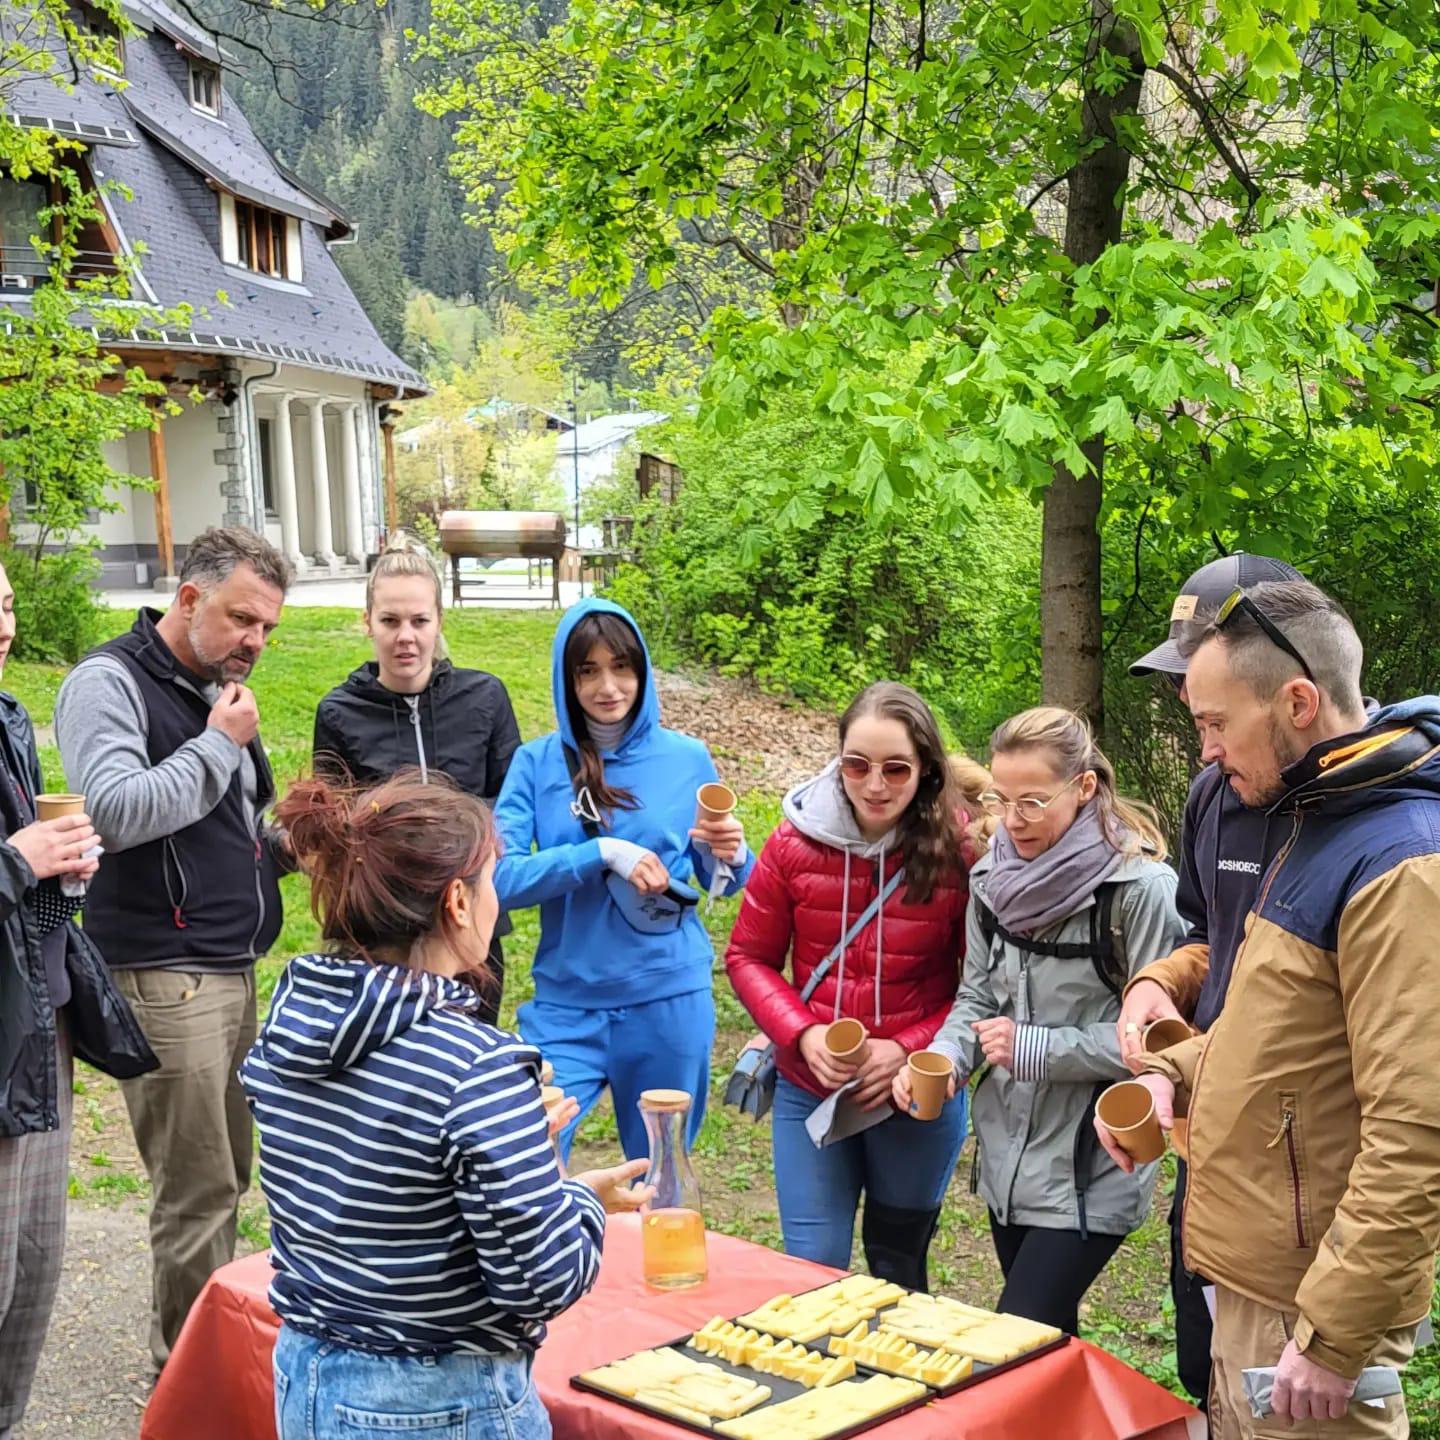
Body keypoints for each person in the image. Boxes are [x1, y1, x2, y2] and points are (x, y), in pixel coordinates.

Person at [1104, 580, 1440, 1439]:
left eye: (1216, 723)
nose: (1205, 751)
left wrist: (1332, 1334)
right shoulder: (1308, 818)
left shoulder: (1402, 860)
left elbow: (1418, 1129)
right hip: (1256, 1275)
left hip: (1309, 1299)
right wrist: (1175, 1073)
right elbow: (1277, 1036)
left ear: (1297, 702)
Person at [242, 772, 650, 1440]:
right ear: (457, 902)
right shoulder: (477, 1068)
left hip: (307, 1378)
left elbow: (378, 1192)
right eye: (492, 880)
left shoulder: (289, 1028)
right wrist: (570, 1198)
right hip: (443, 1401)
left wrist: (513, 1153)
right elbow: (541, 1281)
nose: (497, 899)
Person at [53, 526, 292, 1371]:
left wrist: (291, 842)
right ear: (188, 598)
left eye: (267, 627)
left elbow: (227, 824)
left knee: (227, 1179)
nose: (254, 642)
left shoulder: (213, 685)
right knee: (195, 1195)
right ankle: (189, 1387)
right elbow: (113, 814)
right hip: (162, 973)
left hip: (229, 968)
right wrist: (219, 743)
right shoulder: (106, 683)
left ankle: (210, 1368)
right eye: (241, 619)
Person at [897, 706, 1183, 1335]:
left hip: (1093, 1163)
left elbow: (1166, 1042)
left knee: (1017, 1332)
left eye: (1032, 802)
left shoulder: (1138, 891)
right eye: (1002, 800)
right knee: (1048, 1345)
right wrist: (948, 1057)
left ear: (1083, 787)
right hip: (1007, 1158)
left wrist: (1038, 1050)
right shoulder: (990, 880)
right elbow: (975, 998)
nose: (1013, 820)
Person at [1117, 551, 1303, 1408]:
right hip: (1207, 1133)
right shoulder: (1210, 797)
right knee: (1204, 1371)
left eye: (1213, 703)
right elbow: (1209, 936)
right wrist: (1160, 983)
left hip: (1304, 1174)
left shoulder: (1372, 819)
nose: (1203, 733)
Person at [726, 682, 972, 1290]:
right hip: (812, 1086)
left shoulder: (960, 852)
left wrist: (909, 1048)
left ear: (927, 771)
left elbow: (980, 987)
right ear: (838, 761)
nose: (875, 785)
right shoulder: (792, 842)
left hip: (913, 1093)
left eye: (896, 769)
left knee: (898, 1267)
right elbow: (748, 956)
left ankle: (904, 1384)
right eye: (857, 765)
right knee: (812, 1272)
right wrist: (801, 1033)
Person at [493, 597, 753, 1161]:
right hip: (566, 1005)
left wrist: (729, 854)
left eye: (622, 667)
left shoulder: (686, 758)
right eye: (587, 671)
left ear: (642, 671)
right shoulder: (536, 765)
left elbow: (716, 883)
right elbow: (502, 880)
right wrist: (603, 853)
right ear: (567, 679)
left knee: (662, 1177)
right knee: (524, 1156)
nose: (607, 686)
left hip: (667, 999)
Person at [0, 561, 157, 1439]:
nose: (5, 626)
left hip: (37, 1030)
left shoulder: (9, 723)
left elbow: (28, 907)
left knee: (31, 1275)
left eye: (10, 606)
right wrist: (22, 858)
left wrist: (63, 878)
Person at [312, 537, 522, 1023]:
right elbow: (334, 822)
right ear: (368, 622)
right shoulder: (340, 712)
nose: (405, 636)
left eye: (419, 621)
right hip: (385, 933)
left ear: (438, 623)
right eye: (390, 621)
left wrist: (476, 846)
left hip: (470, 922)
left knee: (470, 1062)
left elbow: (511, 801)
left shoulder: (485, 698)